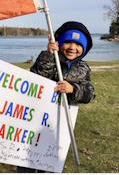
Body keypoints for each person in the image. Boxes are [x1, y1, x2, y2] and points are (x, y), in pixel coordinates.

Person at [16, 21, 96, 173]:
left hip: (59, 125)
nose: (73, 47)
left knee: (50, 162)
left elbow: (90, 93)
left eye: (78, 44)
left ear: (84, 49)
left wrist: (73, 89)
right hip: (35, 119)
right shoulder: (49, 58)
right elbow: (35, 77)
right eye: (68, 42)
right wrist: (49, 56)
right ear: (59, 43)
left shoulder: (83, 69)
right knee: (26, 159)